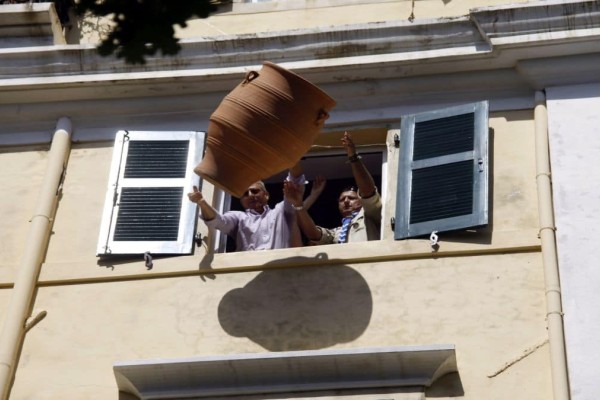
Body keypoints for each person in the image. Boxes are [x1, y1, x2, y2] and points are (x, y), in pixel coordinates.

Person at [285, 132, 382, 244]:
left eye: (351, 198)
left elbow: (368, 192)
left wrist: (353, 157)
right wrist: (298, 205)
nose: (346, 201)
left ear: (361, 200)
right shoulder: (337, 232)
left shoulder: (371, 215)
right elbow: (315, 234)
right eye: (342, 199)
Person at [187, 166, 305, 251]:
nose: (250, 195)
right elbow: (218, 221)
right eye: (245, 194)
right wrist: (202, 203)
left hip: (280, 272)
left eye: (254, 191)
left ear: (266, 195)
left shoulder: (281, 211)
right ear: (241, 201)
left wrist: (291, 159)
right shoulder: (238, 217)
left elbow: (296, 180)